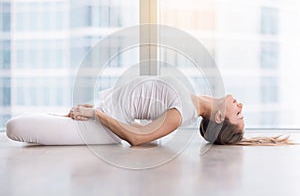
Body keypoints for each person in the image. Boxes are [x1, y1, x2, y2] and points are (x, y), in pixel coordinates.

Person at [5, 76, 291, 146]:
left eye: (238, 113)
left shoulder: (183, 114)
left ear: (219, 118)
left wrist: (97, 116)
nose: (240, 106)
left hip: (99, 129)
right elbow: (136, 99)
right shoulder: (192, 98)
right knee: (27, 121)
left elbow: (139, 138)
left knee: (14, 127)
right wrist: (95, 107)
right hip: (99, 113)